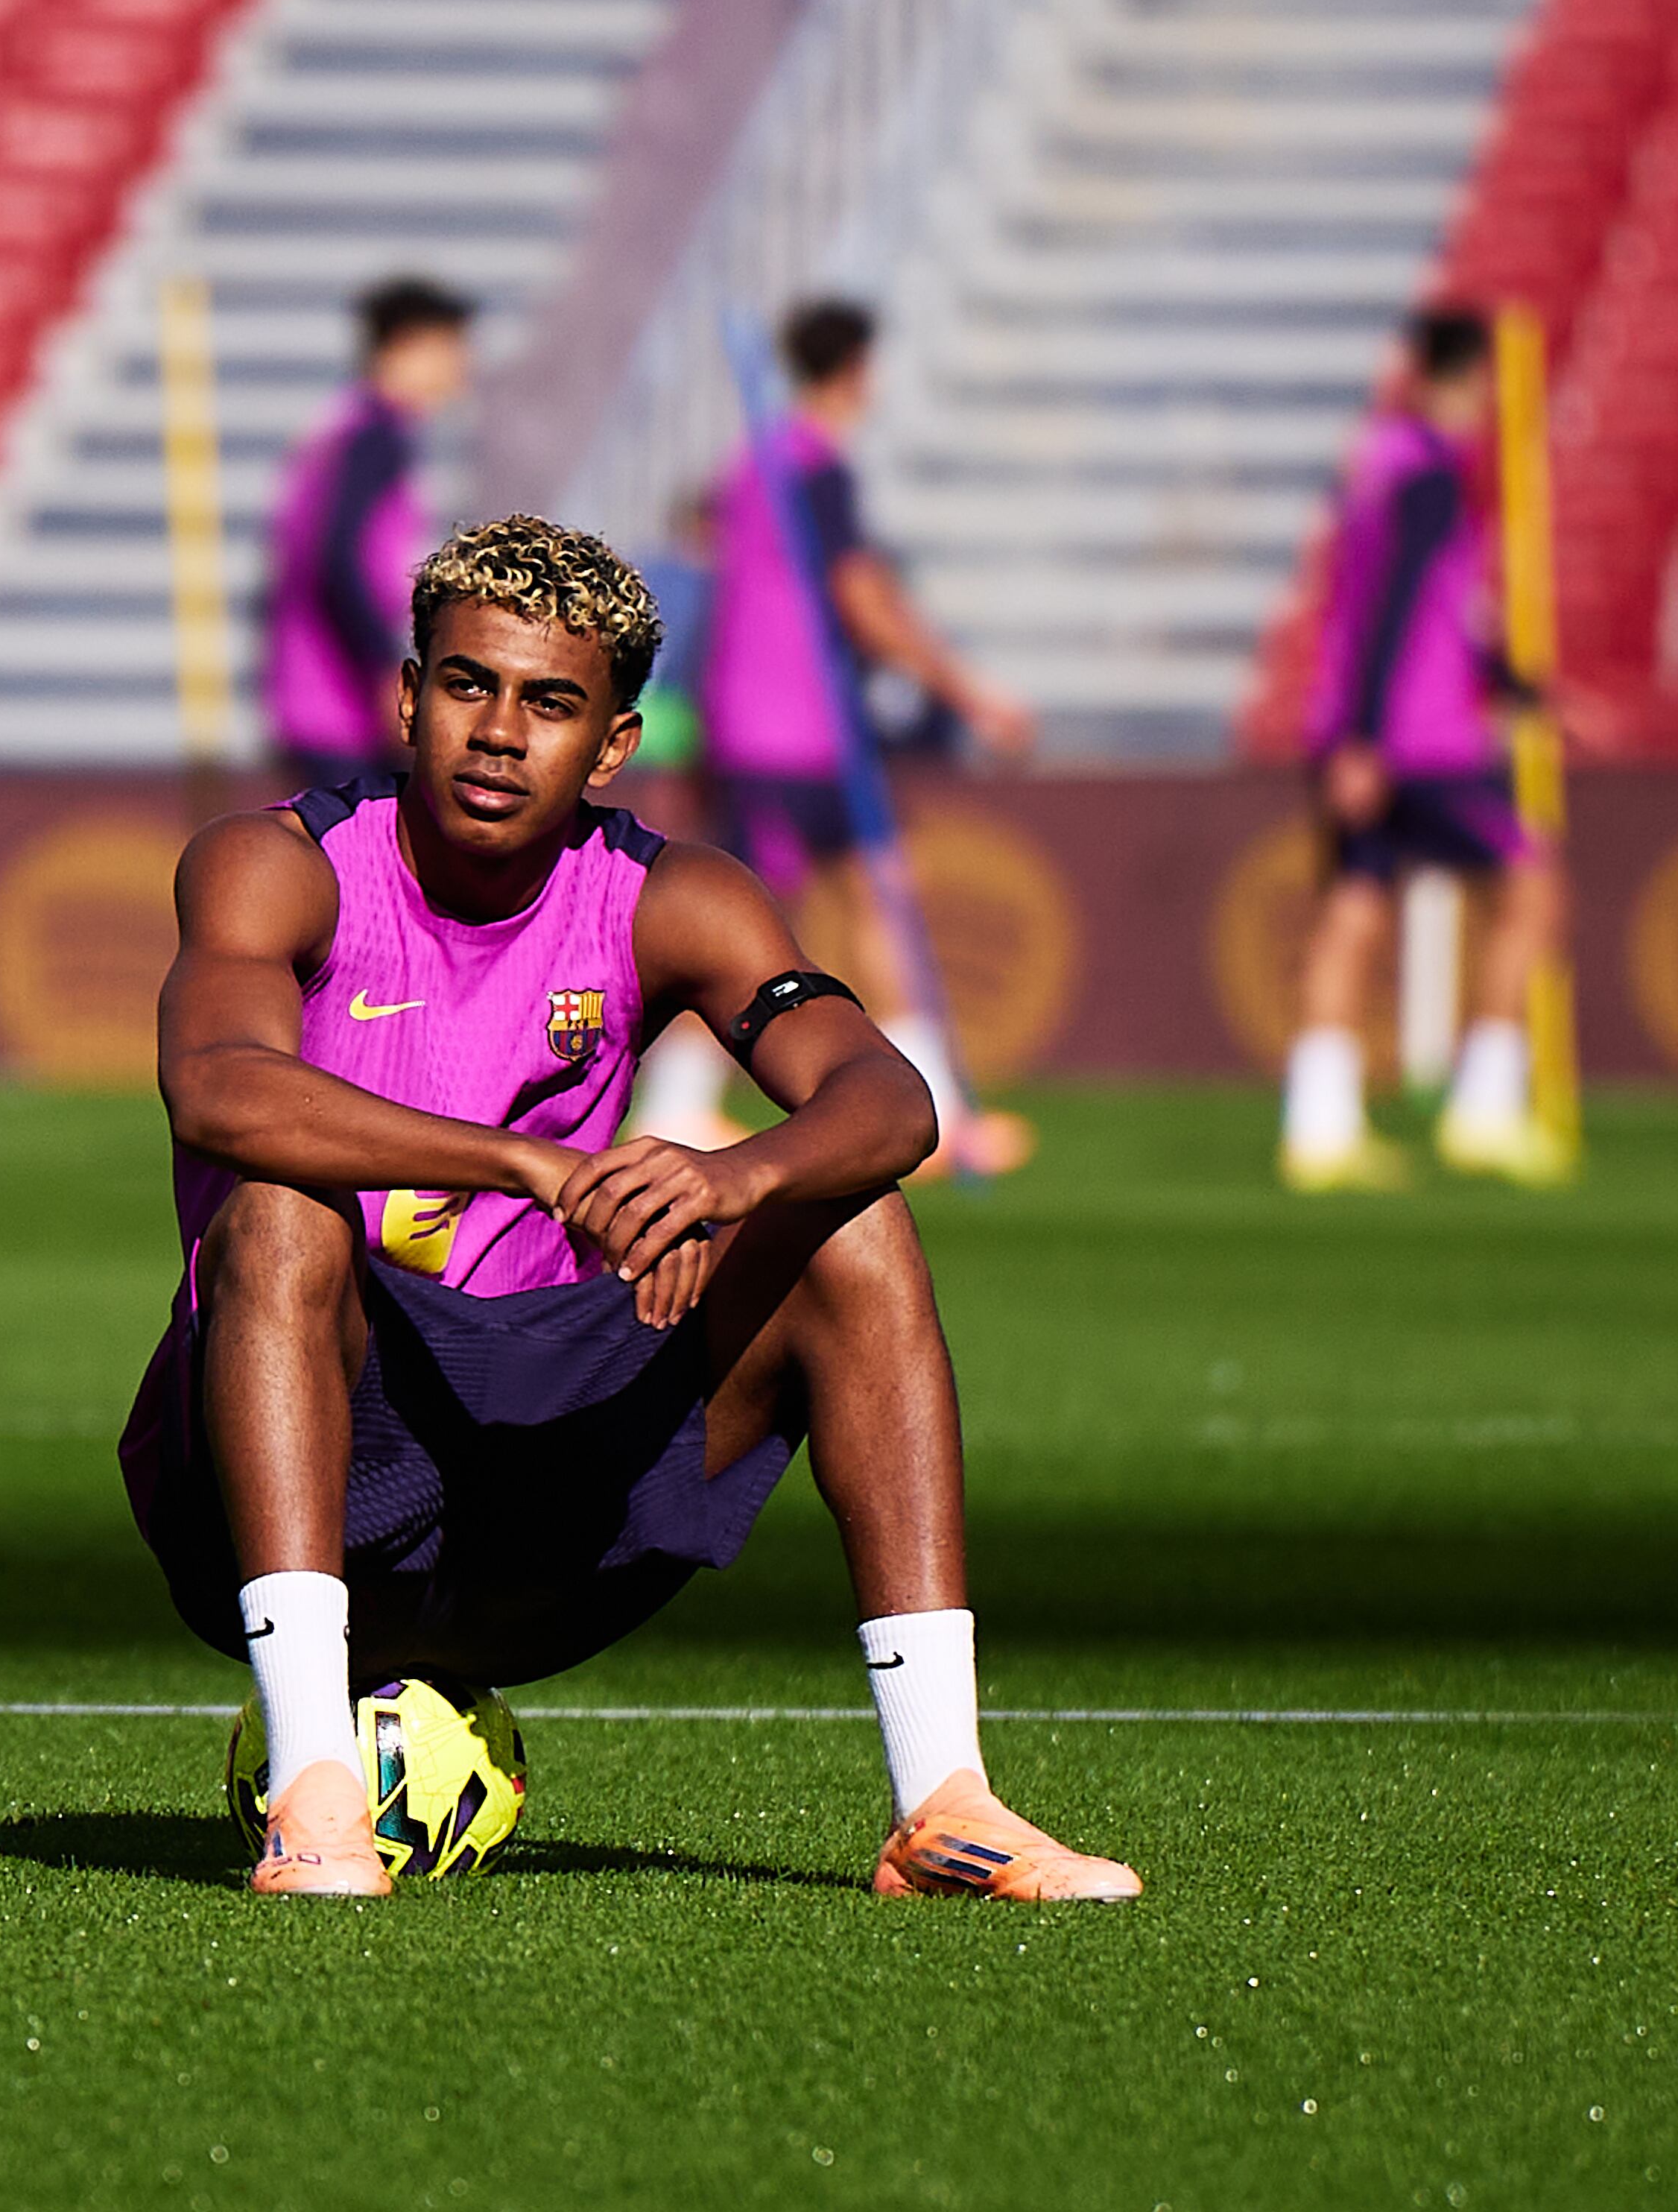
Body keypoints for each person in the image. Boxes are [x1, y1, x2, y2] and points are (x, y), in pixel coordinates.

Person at [123, 515, 1138, 1903]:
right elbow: (219, 1090)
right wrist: (524, 1163)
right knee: (280, 1218)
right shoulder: (274, 861)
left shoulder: (675, 897)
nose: (498, 734)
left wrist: (736, 1178)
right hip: (283, 1471)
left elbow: (887, 1099)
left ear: (612, 746)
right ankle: (316, 1798)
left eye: (549, 705)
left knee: (856, 1224)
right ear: (409, 698)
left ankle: (944, 1804)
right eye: (468, 686)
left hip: (529, 1486)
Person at [653, 299, 1036, 1173]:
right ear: (859, 372)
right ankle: (679, 1109)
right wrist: (968, 694)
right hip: (796, 730)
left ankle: (928, 1107)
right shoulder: (813, 468)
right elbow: (862, 601)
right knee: (792, 914)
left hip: (764, 723)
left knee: (876, 890)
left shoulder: (752, 463)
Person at [1277, 307, 1565, 1192]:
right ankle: (1485, 1108)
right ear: (1475, 378)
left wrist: (1514, 684)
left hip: (1357, 721)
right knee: (1532, 887)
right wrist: (1373, 736)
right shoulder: (1435, 473)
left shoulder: (1376, 466)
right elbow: (1400, 607)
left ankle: (1319, 1128)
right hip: (1420, 736)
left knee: (1356, 910)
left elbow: (1409, 606)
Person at [259, 277, 472, 792]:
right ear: (409, 348)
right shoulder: (371, 439)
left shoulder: (342, 429)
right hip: (342, 706)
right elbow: (338, 562)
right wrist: (383, 673)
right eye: (451, 350)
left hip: (315, 695)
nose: (461, 370)